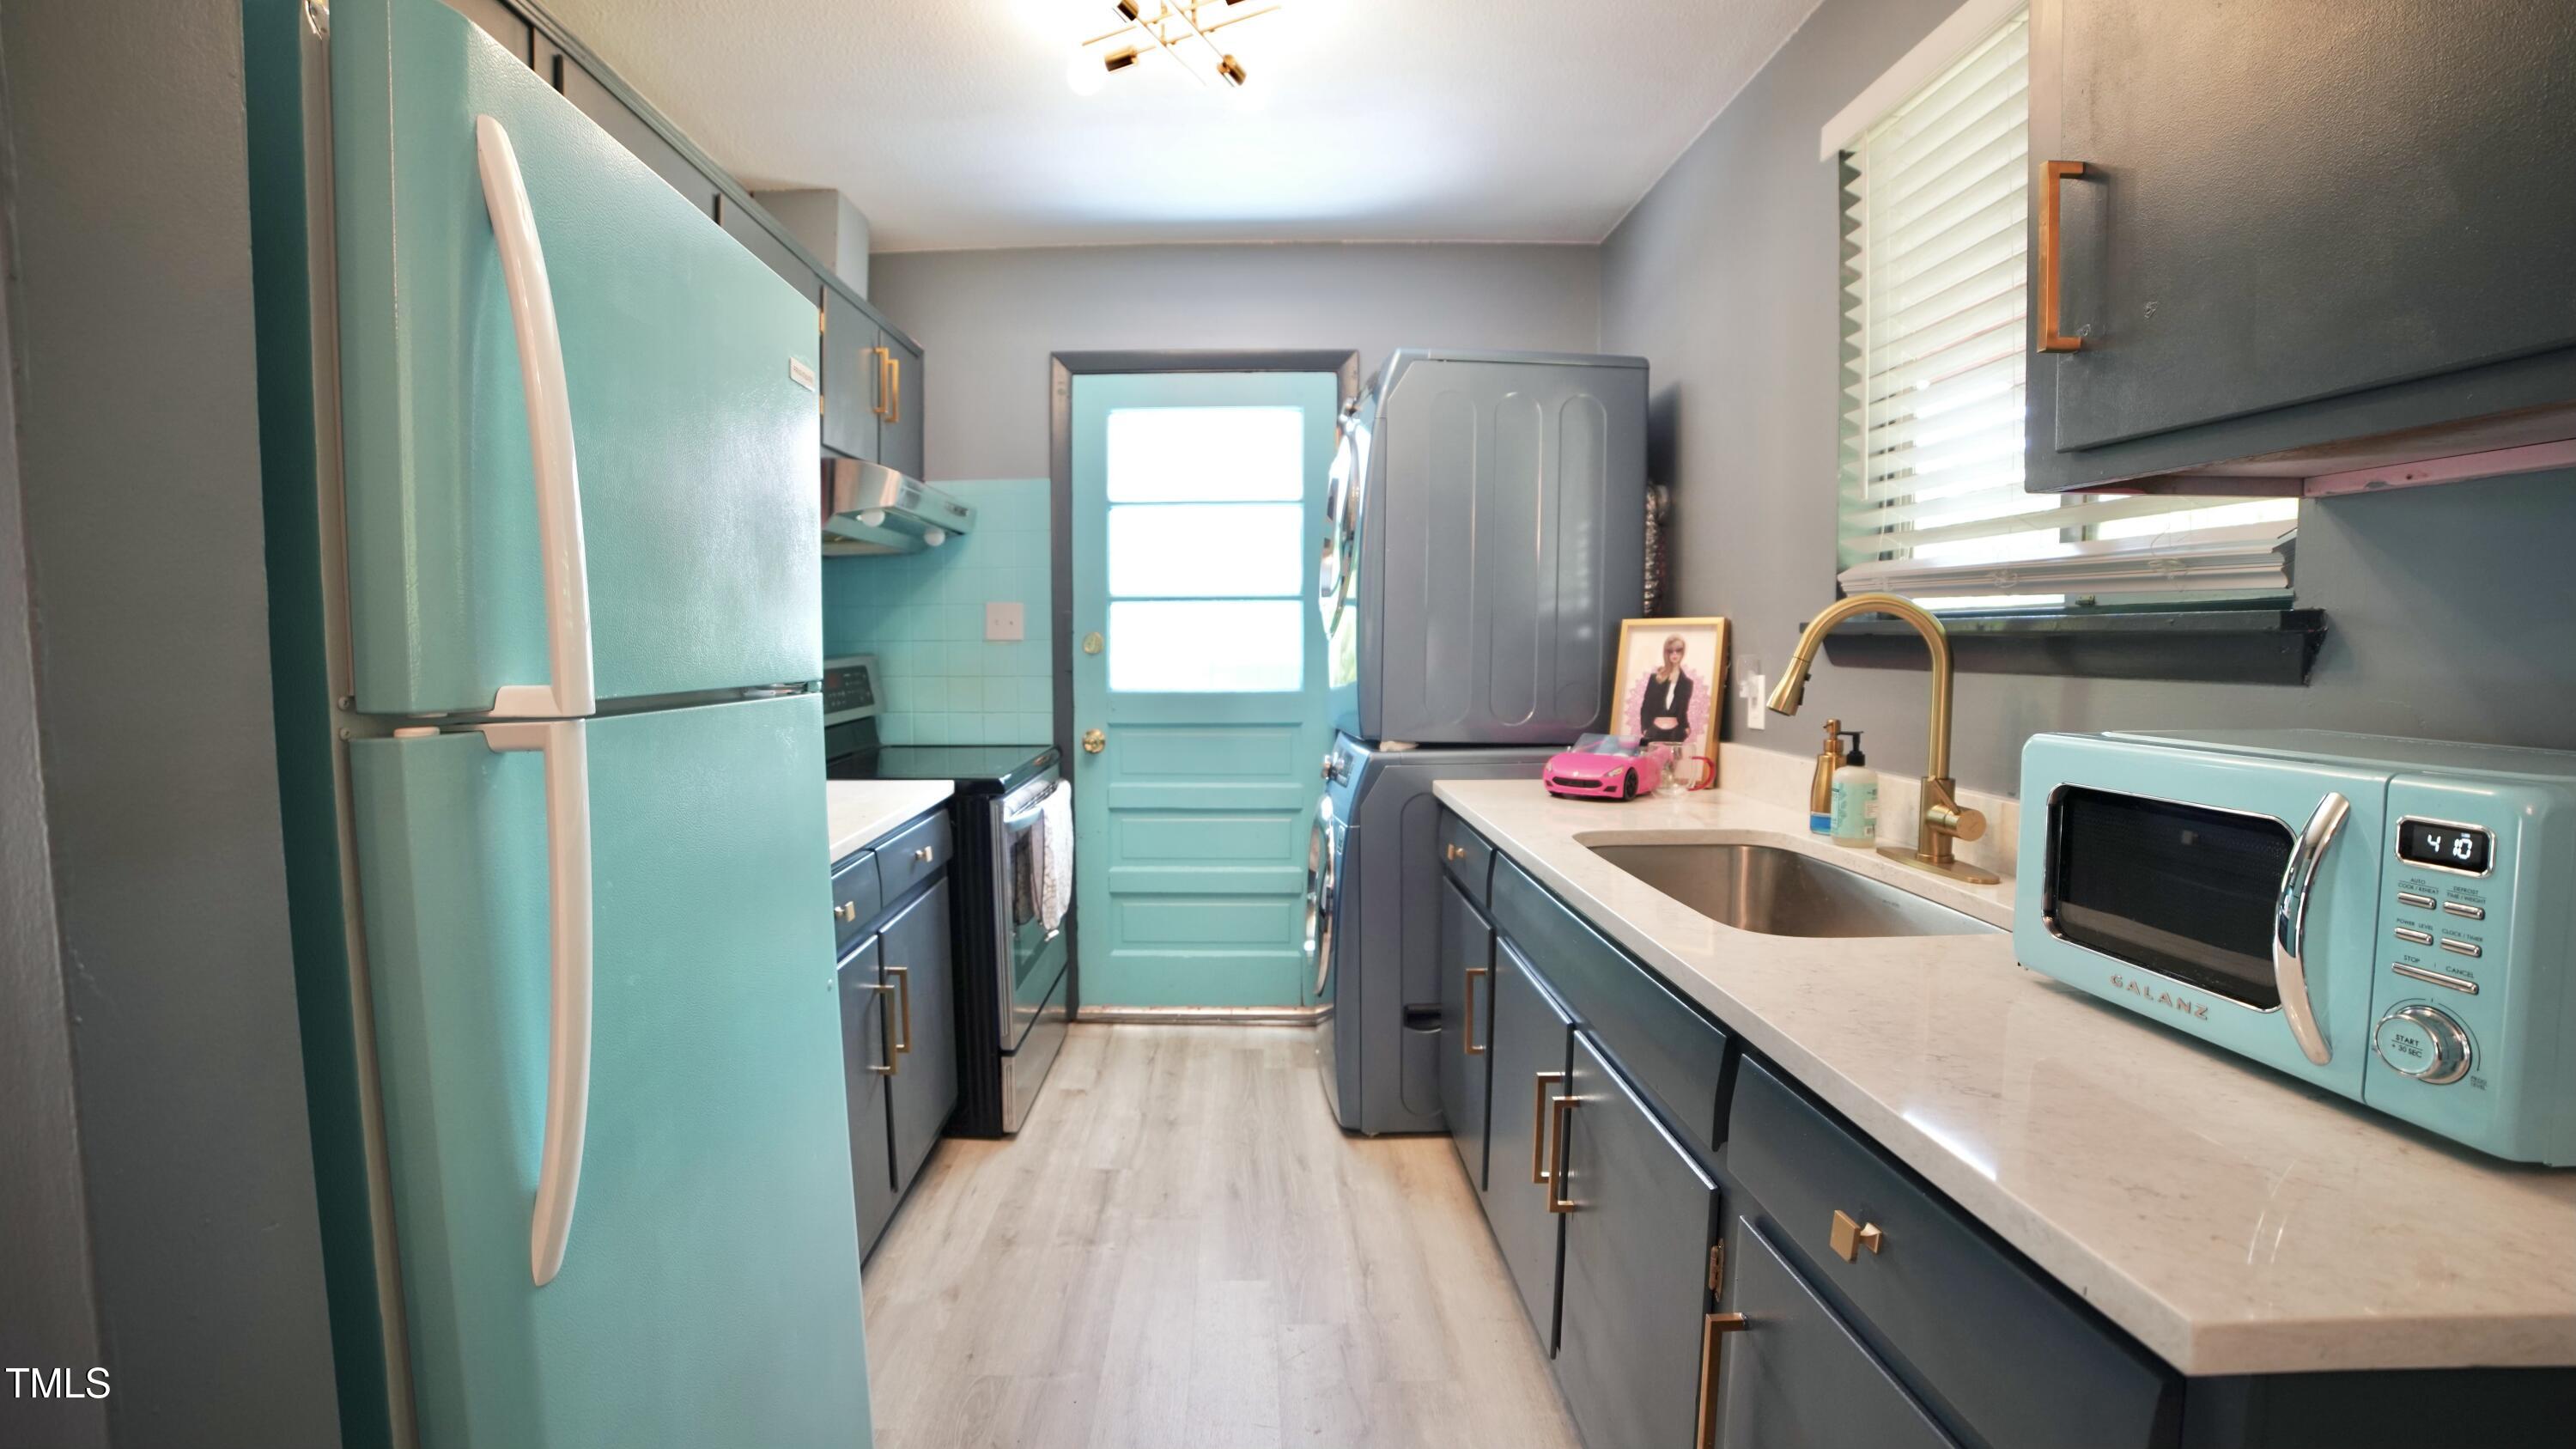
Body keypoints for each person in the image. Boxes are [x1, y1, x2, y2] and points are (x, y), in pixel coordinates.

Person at [1639, 634, 1696, 744]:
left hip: (1676, 733)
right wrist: (1645, 729)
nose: (1674, 654)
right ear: (1666, 653)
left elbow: (1683, 710)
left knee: (1674, 760)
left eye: (1678, 650)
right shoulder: (1655, 679)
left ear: (1682, 653)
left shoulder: (1687, 683)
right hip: (1654, 731)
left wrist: (1686, 729)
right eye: (1671, 651)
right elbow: (1646, 706)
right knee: (1652, 760)